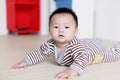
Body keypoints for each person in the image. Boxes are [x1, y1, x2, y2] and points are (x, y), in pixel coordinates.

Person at [12, 8, 120, 80]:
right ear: (50, 30)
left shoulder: (75, 47)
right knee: (87, 43)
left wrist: (72, 71)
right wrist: (26, 61)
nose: (61, 30)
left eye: (66, 27)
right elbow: (39, 53)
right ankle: (96, 40)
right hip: (85, 43)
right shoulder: (49, 45)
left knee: (115, 55)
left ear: (75, 31)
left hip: (94, 51)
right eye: (56, 27)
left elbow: (82, 58)